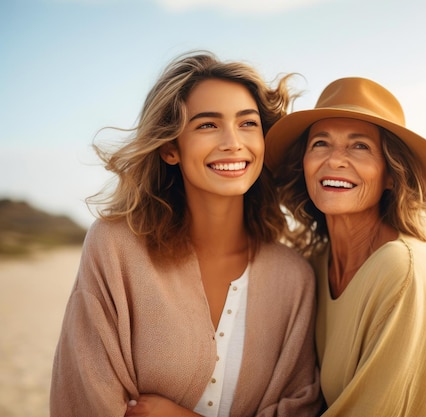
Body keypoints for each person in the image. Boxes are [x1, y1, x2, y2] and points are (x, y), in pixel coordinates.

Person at [50, 51, 322, 417]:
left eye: (248, 124)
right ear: (170, 148)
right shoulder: (114, 248)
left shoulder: (294, 278)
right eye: (208, 125)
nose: (232, 142)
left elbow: (301, 407)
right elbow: (86, 394)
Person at [264, 77, 426, 416]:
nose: (335, 160)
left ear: (392, 174)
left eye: (360, 146)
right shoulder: (314, 264)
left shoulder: (405, 271)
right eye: (320, 143)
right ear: (303, 163)